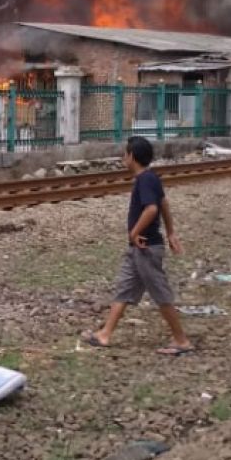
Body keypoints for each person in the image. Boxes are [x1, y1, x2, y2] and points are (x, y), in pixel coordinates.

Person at [81, 136, 193, 355]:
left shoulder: (145, 180)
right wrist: (170, 232)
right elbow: (163, 204)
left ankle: (181, 341)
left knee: (160, 293)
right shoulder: (150, 178)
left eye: (125, 153)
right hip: (138, 248)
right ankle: (105, 334)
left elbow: (152, 209)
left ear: (132, 156)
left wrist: (134, 232)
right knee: (124, 288)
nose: (123, 157)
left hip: (146, 247)